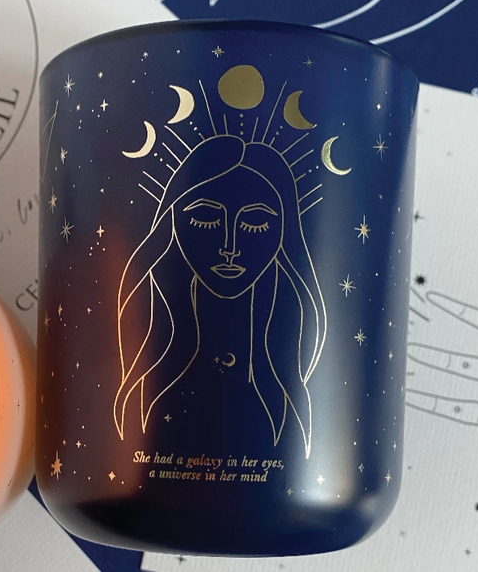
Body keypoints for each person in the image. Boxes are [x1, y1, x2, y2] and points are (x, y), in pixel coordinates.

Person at [115, 134, 326, 457]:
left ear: (283, 231)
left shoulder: (286, 365)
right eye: (206, 219)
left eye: (254, 223)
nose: (230, 246)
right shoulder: (149, 356)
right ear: (173, 221)